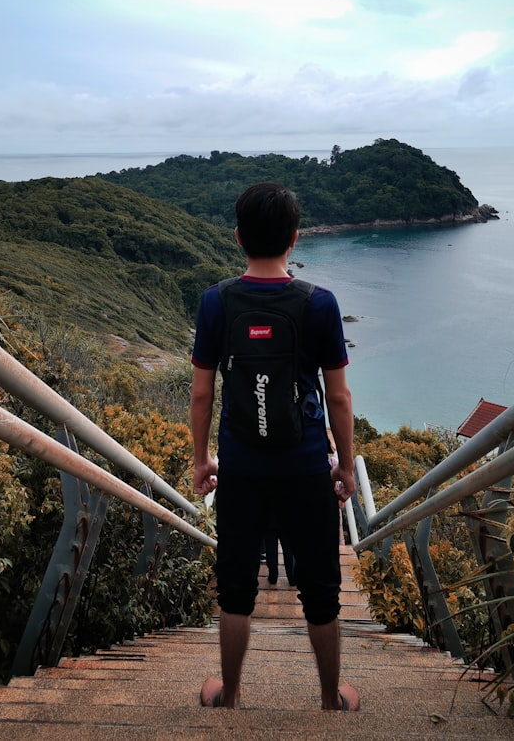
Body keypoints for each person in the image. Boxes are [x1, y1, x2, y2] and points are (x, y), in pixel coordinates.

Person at [190, 181, 360, 711]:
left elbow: (201, 393)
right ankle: (331, 700)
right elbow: (339, 397)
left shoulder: (216, 302)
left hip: (240, 468)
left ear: (238, 236)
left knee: (235, 587)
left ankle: (232, 694)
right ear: (294, 237)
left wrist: (201, 462)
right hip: (307, 466)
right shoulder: (320, 304)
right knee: (322, 589)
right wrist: (346, 468)